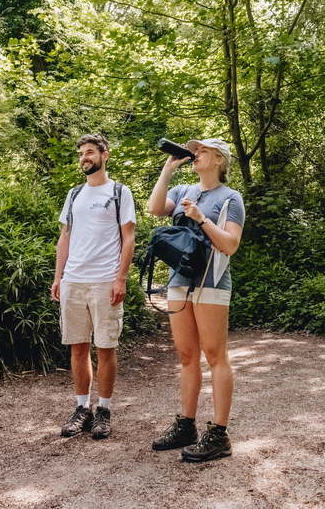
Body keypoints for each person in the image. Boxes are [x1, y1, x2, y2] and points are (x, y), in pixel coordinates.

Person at [147, 138, 245, 461]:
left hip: (212, 281)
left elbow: (229, 245)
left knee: (215, 355)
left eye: (202, 151)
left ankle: (219, 434)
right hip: (180, 280)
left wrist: (202, 218)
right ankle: (186, 425)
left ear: (219, 160)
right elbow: (155, 207)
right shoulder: (184, 190)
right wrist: (168, 168)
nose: (195, 154)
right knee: (187, 356)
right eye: (195, 151)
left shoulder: (231, 198)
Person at [51, 133, 136, 440]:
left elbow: (128, 237)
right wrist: (59, 276)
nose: (84, 157)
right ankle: (82, 408)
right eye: (81, 154)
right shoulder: (74, 194)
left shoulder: (119, 192)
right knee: (78, 347)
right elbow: (65, 237)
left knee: (106, 347)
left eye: (90, 152)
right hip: (74, 280)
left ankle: (104, 410)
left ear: (104, 155)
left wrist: (121, 278)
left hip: (105, 281)